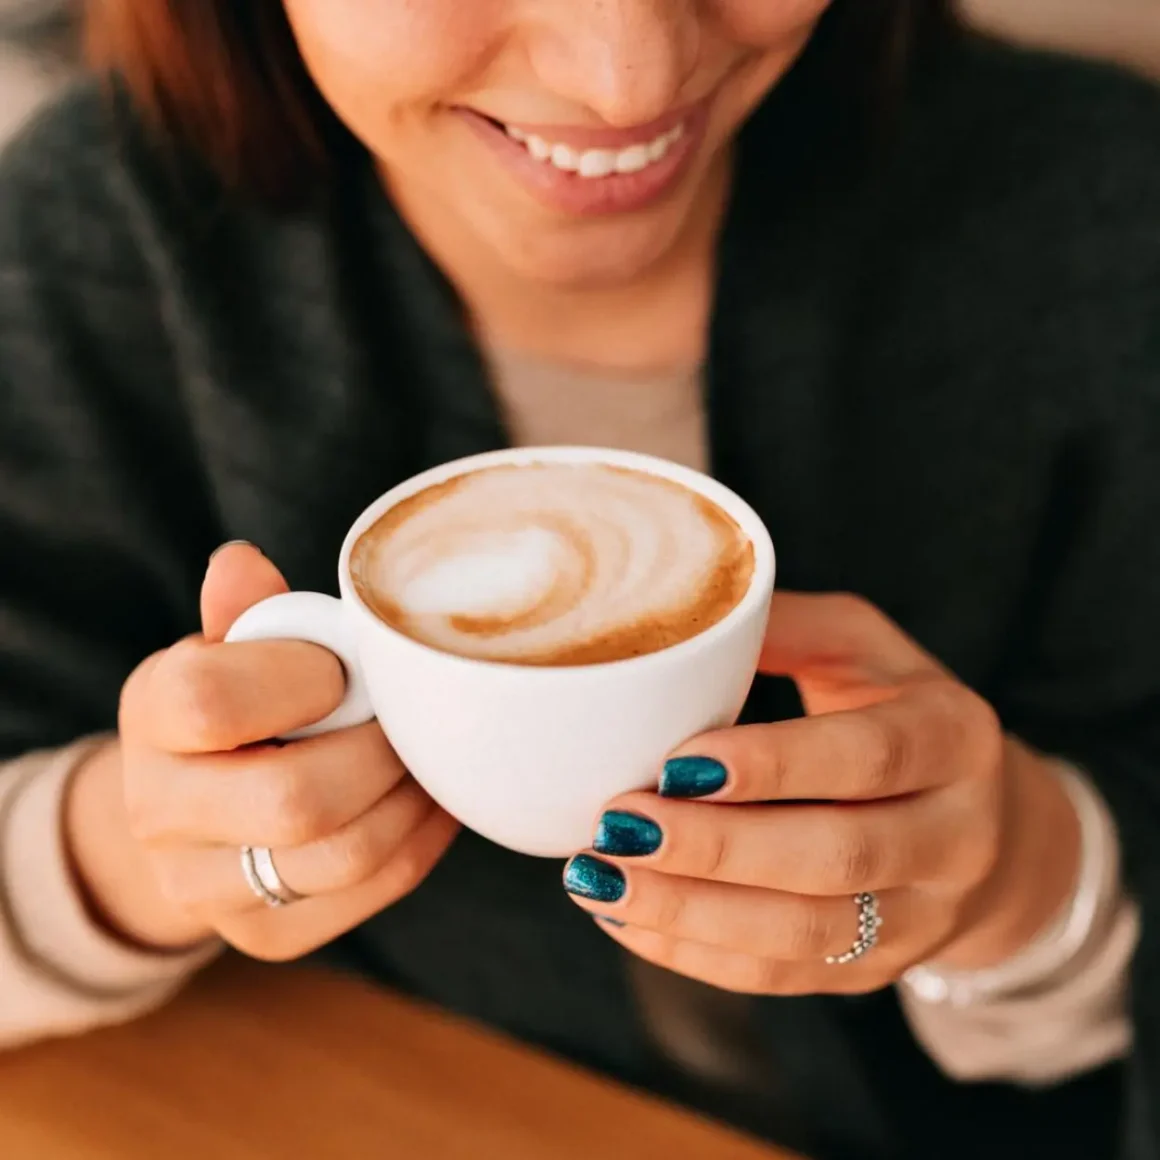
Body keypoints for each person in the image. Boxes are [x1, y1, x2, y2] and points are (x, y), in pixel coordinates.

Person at [0, 2, 1156, 1157]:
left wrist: (1016, 875)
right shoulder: (86, 246)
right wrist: (120, 854)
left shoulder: (1107, 220)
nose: (626, 76)